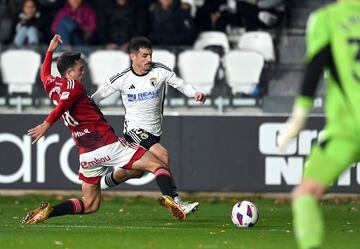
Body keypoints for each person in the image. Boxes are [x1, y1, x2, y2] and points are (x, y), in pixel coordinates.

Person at [21, 34, 193, 224]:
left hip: (86, 155)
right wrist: (47, 123)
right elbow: (62, 106)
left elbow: (44, 75)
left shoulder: (52, 86)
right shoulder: (74, 86)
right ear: (69, 73)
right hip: (107, 144)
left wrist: (50, 51)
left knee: (90, 205)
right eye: (80, 69)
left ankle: (49, 212)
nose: (83, 72)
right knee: (159, 164)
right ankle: (174, 202)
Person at [277, 1, 360, 248]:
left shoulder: (327, 18)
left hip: (349, 128)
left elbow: (314, 68)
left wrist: (297, 120)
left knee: (306, 193)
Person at [91, 36, 206, 214]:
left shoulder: (160, 71)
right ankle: (176, 202)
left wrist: (195, 93)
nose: (149, 60)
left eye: (150, 55)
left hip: (154, 132)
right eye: (145, 56)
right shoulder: (122, 78)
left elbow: (181, 84)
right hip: (134, 130)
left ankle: (99, 183)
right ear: (133, 57)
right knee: (162, 156)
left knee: (134, 172)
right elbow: (95, 99)